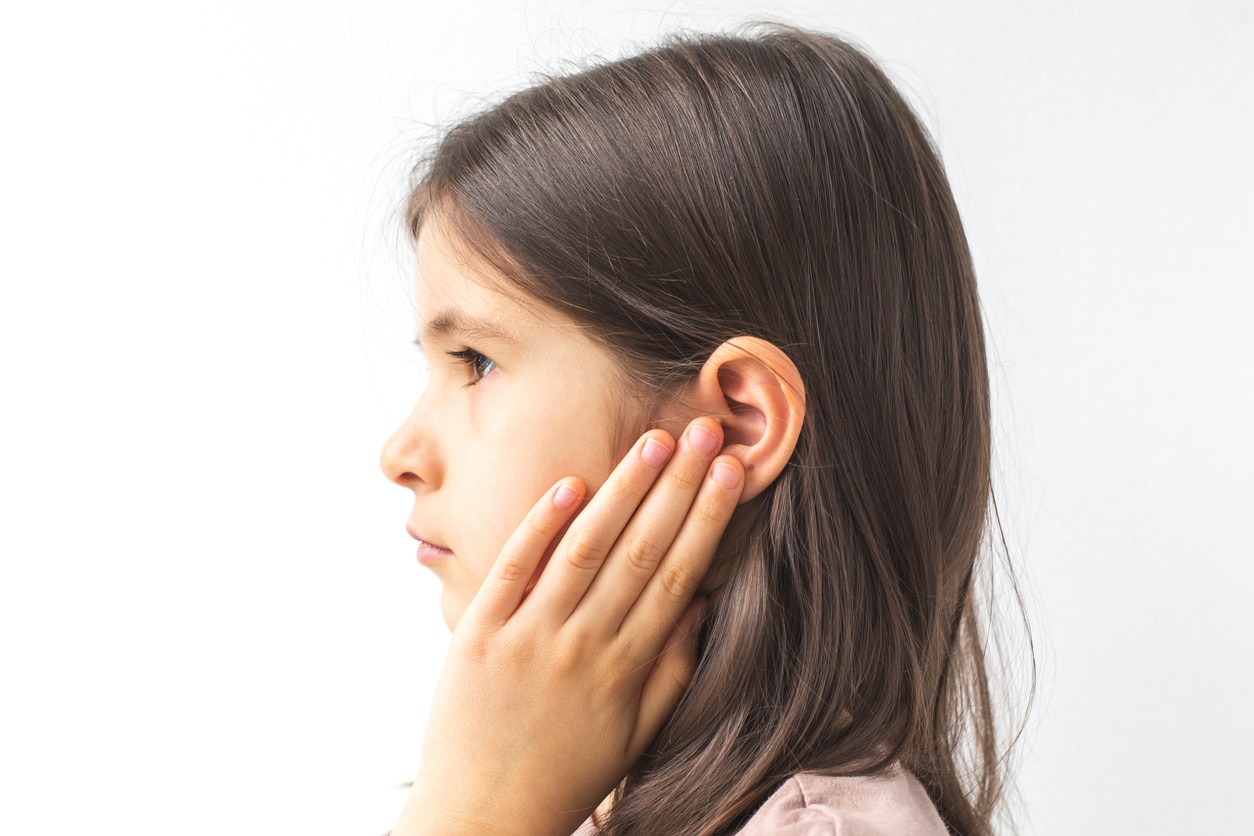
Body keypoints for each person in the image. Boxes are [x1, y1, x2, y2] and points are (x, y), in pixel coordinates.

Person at [380, 25, 1027, 836]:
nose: (399, 455)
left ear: (737, 423)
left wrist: (468, 815)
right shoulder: (584, 798)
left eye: (475, 360)